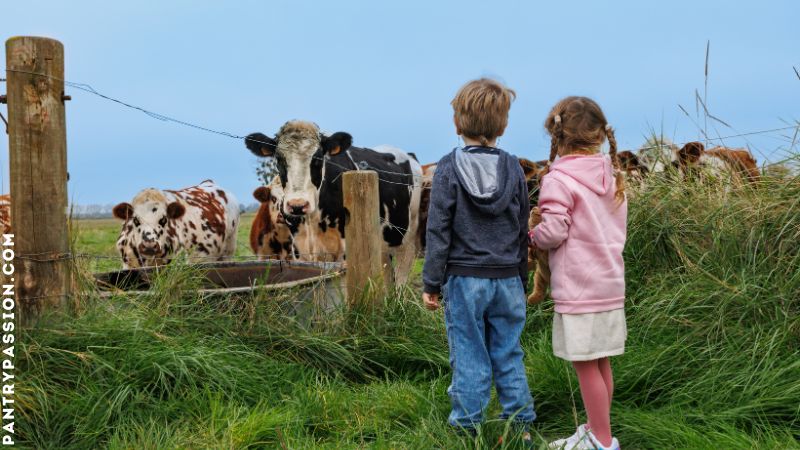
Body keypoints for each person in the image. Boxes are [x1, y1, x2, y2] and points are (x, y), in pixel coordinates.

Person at [422, 78, 535, 441]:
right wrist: (521, 274)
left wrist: (431, 282)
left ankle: (467, 428)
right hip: (507, 279)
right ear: (503, 126)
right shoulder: (514, 168)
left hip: (465, 279)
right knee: (508, 352)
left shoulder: (448, 168)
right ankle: (520, 425)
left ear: (457, 123)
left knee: (469, 352)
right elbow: (522, 225)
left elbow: (437, 230)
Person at [530, 96, 627, 450]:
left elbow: (554, 231)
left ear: (558, 137)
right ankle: (596, 428)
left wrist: (532, 236)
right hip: (610, 282)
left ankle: (601, 441)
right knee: (600, 363)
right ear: (599, 135)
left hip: (579, 286)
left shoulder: (559, 179)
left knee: (586, 366)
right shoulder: (611, 173)